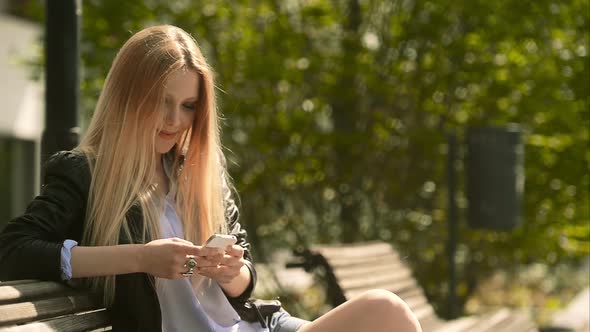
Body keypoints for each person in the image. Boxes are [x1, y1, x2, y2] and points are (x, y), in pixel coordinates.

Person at [0, 25, 422, 332]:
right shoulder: (85, 172)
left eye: (187, 106)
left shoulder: (199, 170)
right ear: (129, 98)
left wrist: (230, 271)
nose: (174, 121)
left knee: (387, 311)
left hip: (257, 327)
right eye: (162, 102)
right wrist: (141, 257)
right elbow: (14, 250)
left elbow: (244, 285)